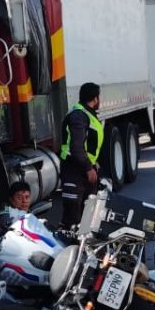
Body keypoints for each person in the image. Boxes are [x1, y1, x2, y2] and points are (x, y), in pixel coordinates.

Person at [59, 82, 102, 229]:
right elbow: (76, 147)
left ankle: (83, 241)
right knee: (72, 218)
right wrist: (88, 168)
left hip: (81, 169)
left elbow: (88, 145)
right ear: (95, 99)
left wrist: (93, 163)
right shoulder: (79, 116)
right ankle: (68, 242)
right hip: (74, 170)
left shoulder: (85, 114)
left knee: (88, 214)